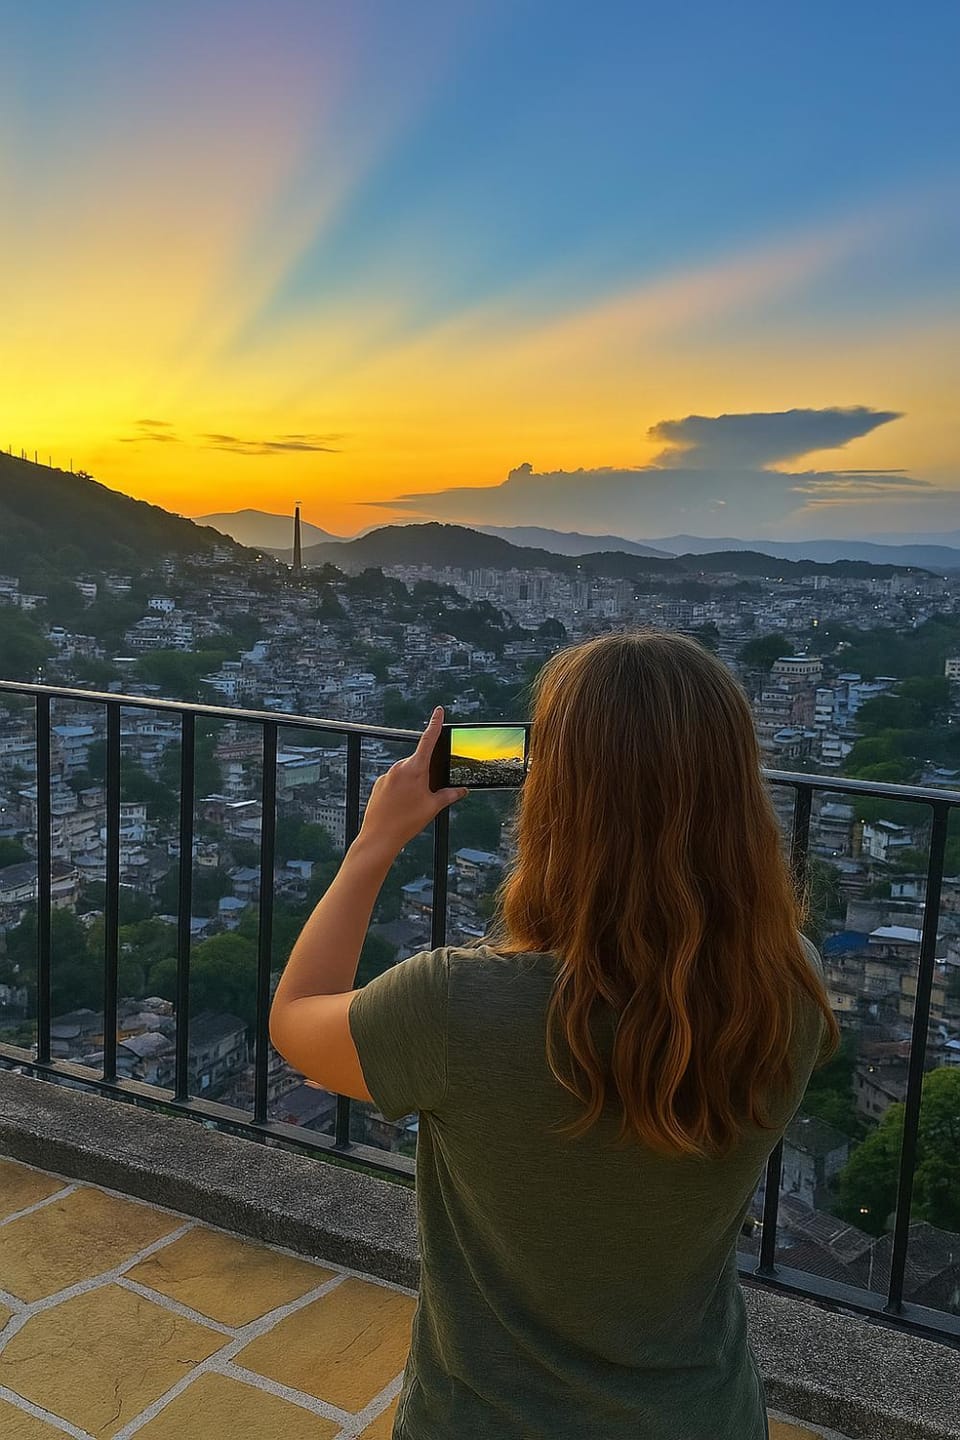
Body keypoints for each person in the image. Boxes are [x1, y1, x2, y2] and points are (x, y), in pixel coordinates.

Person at [270, 628, 840, 1440]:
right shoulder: (790, 988)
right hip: (703, 1414)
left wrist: (374, 842)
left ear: (551, 797)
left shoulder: (456, 1007)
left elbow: (296, 1018)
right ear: (738, 795)